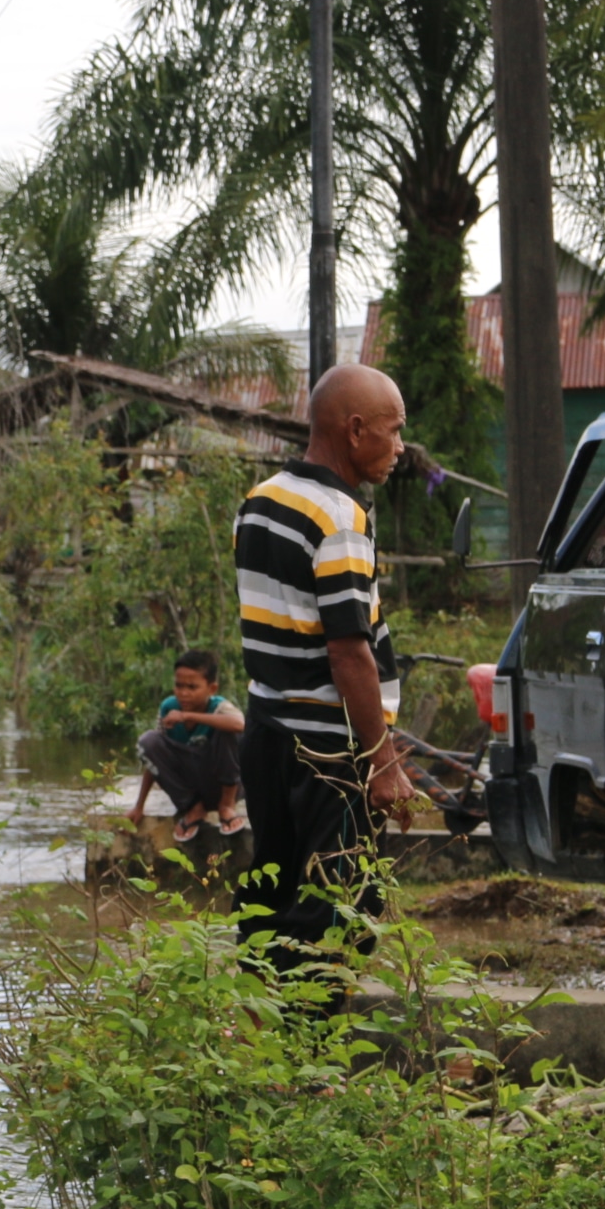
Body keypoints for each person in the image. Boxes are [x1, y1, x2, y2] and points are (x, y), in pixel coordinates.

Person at [234, 363, 421, 968]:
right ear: (355, 429)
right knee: (335, 912)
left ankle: (262, 1035)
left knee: (273, 893)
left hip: (266, 734)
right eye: (392, 432)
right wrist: (381, 760)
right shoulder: (341, 518)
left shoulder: (260, 501)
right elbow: (348, 651)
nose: (399, 448)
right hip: (325, 754)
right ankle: (309, 1049)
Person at [130, 648, 247, 841]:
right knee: (148, 741)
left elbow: (239, 724)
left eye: (192, 687)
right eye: (178, 686)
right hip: (192, 788)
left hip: (223, 785)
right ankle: (194, 808)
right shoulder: (168, 708)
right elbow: (153, 759)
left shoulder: (220, 706)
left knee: (228, 731)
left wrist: (188, 716)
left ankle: (226, 806)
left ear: (211, 689)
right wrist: (139, 806)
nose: (183, 693)